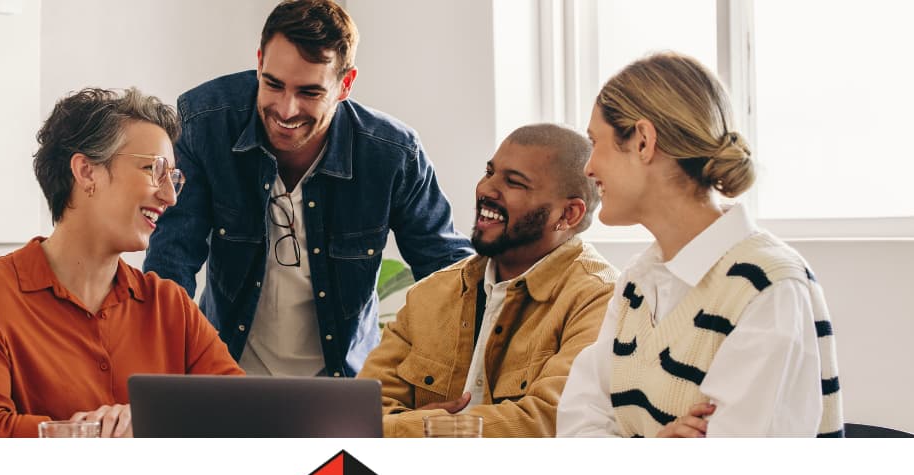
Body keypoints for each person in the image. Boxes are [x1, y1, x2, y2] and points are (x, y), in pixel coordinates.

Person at [143, 0, 472, 379]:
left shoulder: (393, 155)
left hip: (343, 385)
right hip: (228, 376)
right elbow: (172, 263)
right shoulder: (205, 122)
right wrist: (167, 383)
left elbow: (450, 276)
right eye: (273, 84)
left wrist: (433, 384)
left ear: (344, 85)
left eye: (310, 93)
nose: (286, 110)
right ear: (259, 62)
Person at [557, 52, 843, 437]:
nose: (588, 168)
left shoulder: (767, 288)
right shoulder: (637, 284)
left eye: (596, 142)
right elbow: (576, 427)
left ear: (643, 141)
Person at [0, 88, 243, 438]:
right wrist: (100, 432)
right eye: (153, 169)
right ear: (86, 172)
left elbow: (240, 417)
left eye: (173, 178)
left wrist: (146, 421)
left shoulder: (170, 306)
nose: (170, 196)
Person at [357, 124, 617, 437]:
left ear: (569, 214)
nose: (486, 189)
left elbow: (548, 420)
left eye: (514, 183)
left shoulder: (600, 298)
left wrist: (427, 429)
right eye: (489, 172)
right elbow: (362, 414)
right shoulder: (431, 293)